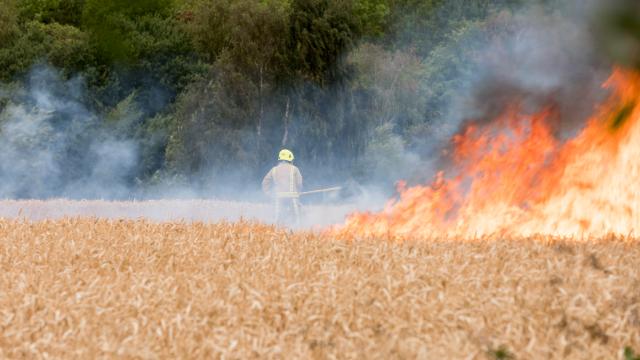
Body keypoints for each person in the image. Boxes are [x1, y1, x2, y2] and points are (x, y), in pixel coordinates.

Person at [262, 149, 303, 226]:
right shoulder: (294, 169)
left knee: (277, 218)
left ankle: (276, 233)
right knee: (297, 217)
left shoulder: (274, 170)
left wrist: (269, 194)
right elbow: (299, 183)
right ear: (290, 159)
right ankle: (297, 232)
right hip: (292, 197)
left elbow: (265, 183)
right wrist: (298, 192)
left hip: (278, 197)